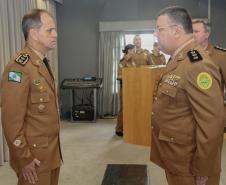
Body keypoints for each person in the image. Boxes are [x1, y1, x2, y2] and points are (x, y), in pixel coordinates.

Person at [150, 6, 225, 185]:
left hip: (190, 165)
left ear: (177, 31)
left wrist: (204, 168)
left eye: (159, 29)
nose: (155, 34)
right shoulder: (179, 58)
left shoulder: (196, 64)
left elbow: (211, 121)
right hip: (176, 157)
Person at [1, 9, 62, 185]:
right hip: (33, 159)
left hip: (50, 153)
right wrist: (24, 159)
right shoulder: (18, 67)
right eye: (50, 30)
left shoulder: (40, 62)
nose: (55, 34)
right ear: (34, 34)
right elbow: (11, 121)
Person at [192, 18, 226, 93]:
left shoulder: (221, 56)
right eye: (191, 32)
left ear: (207, 34)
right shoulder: (185, 55)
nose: (192, 35)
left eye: (196, 31)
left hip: (211, 103)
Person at [115, 44, 135, 136]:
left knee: (131, 109)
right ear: (129, 51)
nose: (134, 52)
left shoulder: (132, 62)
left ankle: (128, 128)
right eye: (133, 50)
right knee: (123, 109)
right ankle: (119, 129)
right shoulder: (122, 62)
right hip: (124, 88)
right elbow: (119, 76)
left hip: (132, 88)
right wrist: (129, 76)